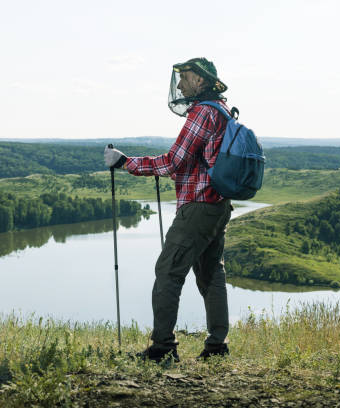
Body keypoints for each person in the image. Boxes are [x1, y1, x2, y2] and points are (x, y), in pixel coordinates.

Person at [104, 57, 233, 362]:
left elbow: (175, 160)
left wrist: (127, 164)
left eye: (184, 77)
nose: (179, 84)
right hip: (218, 205)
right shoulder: (223, 110)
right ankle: (217, 346)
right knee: (211, 273)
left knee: (167, 271)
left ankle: (163, 347)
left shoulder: (202, 113)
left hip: (198, 206)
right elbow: (198, 162)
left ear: (200, 80)